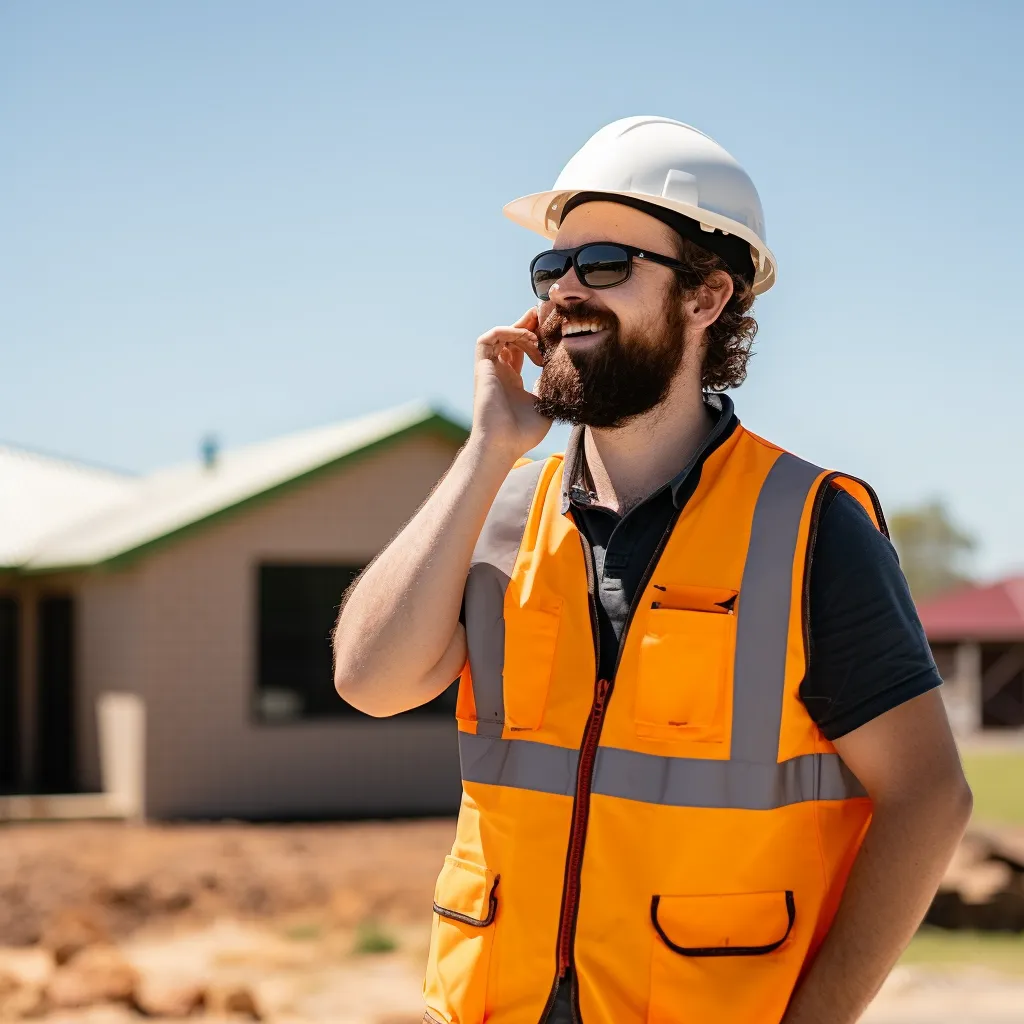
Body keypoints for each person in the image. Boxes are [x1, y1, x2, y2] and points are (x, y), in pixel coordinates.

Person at [333, 117, 972, 1024]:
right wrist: (487, 451)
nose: (565, 295)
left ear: (708, 296)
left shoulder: (811, 526)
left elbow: (929, 798)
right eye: (551, 271)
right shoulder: (501, 510)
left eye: (605, 266)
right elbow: (368, 681)